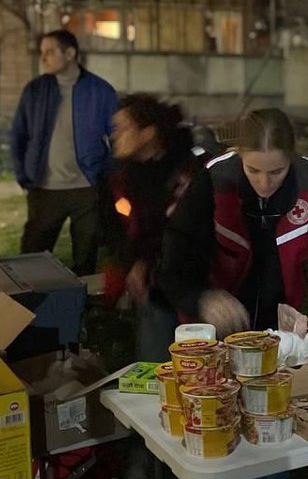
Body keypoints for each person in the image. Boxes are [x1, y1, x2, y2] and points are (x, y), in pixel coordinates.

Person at [157, 107, 308, 479]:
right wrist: (202, 298)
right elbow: (174, 261)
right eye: (254, 170)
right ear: (239, 155)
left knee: (273, 414)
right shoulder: (213, 182)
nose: (265, 182)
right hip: (214, 332)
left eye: (277, 171)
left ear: (293, 158)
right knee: (222, 422)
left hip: (276, 330)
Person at [11, 30, 117, 277]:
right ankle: (32, 301)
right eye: (42, 53)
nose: (43, 58)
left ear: (69, 53)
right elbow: (19, 135)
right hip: (45, 188)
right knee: (33, 253)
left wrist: (106, 175)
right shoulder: (35, 91)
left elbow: (118, 137)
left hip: (87, 187)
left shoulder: (100, 91)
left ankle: (82, 305)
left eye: (49, 52)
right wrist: (24, 176)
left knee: (86, 253)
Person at [103, 94, 199, 361]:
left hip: (191, 286)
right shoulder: (121, 177)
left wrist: (147, 262)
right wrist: (132, 263)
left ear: (148, 133)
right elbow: (114, 229)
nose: (114, 136)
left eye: (122, 128)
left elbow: (184, 233)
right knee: (154, 367)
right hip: (151, 290)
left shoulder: (188, 173)